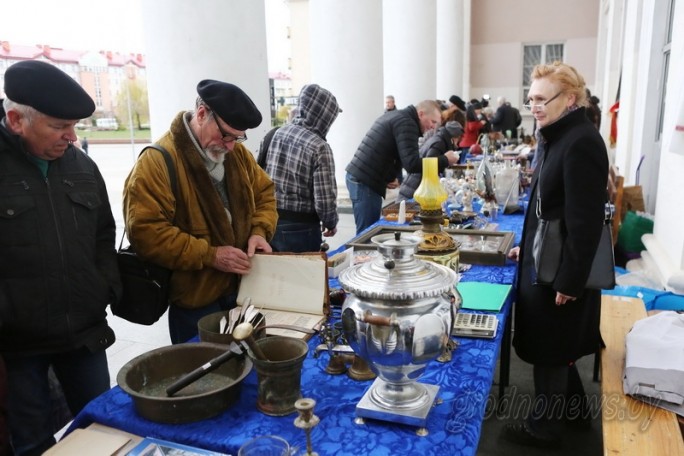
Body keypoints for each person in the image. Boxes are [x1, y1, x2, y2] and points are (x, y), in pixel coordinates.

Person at [0, 60, 121, 455]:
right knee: (32, 443)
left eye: (74, 126)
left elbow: (104, 234)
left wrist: (100, 287)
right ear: (17, 120)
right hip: (19, 345)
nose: (71, 137)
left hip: (83, 336)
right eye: (59, 126)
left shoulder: (82, 167)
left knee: (101, 431)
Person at [123, 79, 277, 344]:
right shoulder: (157, 162)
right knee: (204, 379)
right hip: (196, 300)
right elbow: (147, 233)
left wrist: (259, 231)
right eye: (226, 135)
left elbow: (265, 194)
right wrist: (211, 255)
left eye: (238, 138)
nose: (230, 145)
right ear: (203, 114)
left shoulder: (237, 155)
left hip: (241, 290)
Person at [504, 61, 609, 449]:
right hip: (546, 258)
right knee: (558, 344)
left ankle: (542, 428)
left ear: (569, 98)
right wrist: (525, 243)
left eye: (540, 99)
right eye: (530, 98)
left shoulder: (580, 141)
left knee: (551, 347)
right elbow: (546, 206)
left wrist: (570, 280)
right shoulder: (556, 134)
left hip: (561, 270)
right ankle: (578, 413)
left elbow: (585, 222)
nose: (533, 106)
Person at [346, 99, 459, 234]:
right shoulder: (407, 122)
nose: (433, 127)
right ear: (421, 114)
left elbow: (395, 152)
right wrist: (445, 160)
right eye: (432, 122)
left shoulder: (401, 117)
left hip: (364, 177)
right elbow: (411, 164)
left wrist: (390, 176)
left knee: (368, 230)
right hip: (364, 180)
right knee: (366, 233)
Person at [264, 84, 341, 252]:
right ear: (324, 116)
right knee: (303, 276)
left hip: (269, 221)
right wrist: (330, 222)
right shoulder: (319, 147)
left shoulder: (275, 133)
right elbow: (324, 197)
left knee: (275, 275)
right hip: (301, 228)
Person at [399, 120, 463, 200]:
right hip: (416, 189)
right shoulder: (440, 142)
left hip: (415, 186)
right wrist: (446, 159)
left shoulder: (439, 138)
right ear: (454, 137)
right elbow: (428, 164)